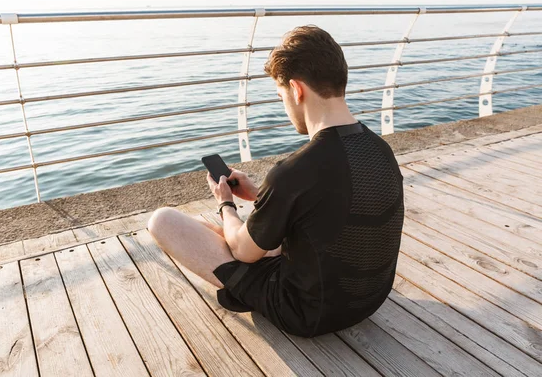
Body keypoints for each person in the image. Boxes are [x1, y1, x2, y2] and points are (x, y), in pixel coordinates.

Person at [148, 25, 404, 337]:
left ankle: (250, 273)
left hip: (307, 314)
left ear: (297, 90)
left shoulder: (296, 170)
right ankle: (261, 237)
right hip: (369, 301)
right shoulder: (381, 149)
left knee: (164, 221)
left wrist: (226, 204)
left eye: (280, 95)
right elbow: (330, 209)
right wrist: (260, 195)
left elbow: (242, 252)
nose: (284, 106)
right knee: (239, 235)